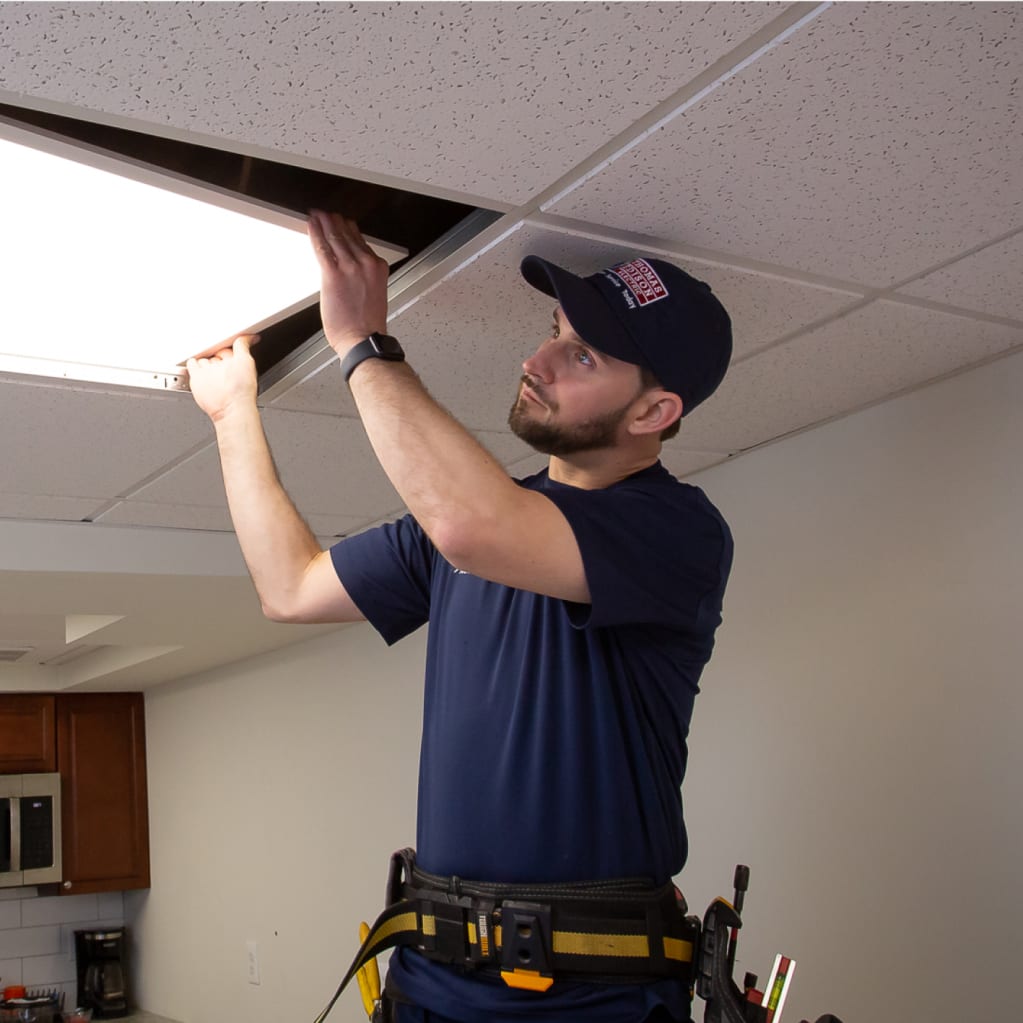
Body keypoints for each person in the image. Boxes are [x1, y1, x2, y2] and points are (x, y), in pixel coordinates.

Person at [187, 211, 734, 1023]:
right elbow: (292, 588)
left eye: (580, 354)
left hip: (592, 1000)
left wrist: (362, 345)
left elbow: (473, 528)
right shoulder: (460, 533)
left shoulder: (676, 532)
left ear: (653, 413)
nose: (536, 359)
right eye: (552, 331)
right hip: (430, 984)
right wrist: (235, 417)